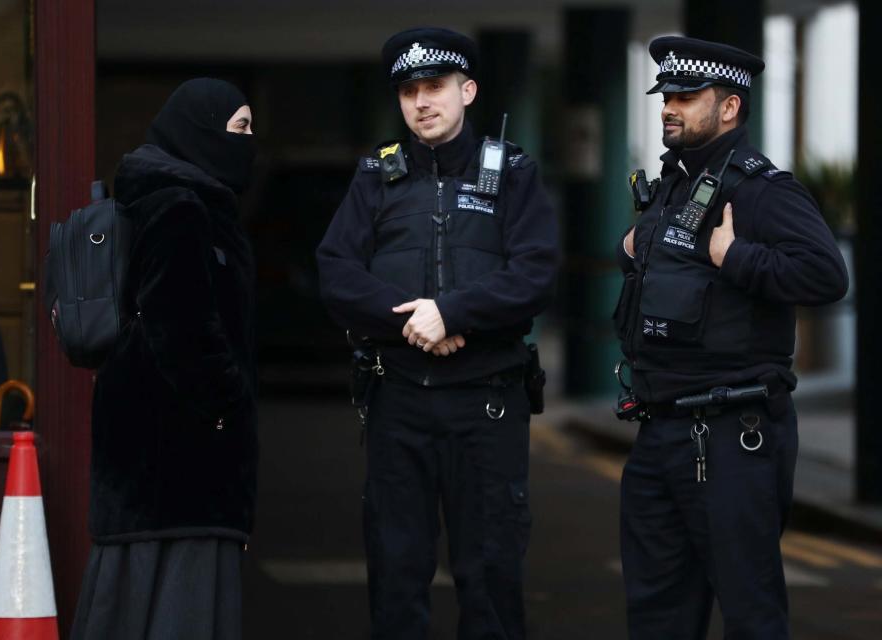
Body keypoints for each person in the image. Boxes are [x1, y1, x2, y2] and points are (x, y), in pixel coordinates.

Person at [317, 27, 559, 640]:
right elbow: (336, 271)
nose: (421, 102)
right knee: (397, 577)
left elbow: (535, 272)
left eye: (435, 88)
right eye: (409, 92)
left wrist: (454, 313)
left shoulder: (513, 173)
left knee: (491, 577)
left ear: (467, 90)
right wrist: (415, 323)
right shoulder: (378, 174)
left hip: (487, 403)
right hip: (398, 397)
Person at [613, 36, 849, 639]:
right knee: (657, 615)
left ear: (729, 108)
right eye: (666, 94)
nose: (669, 105)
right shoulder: (672, 185)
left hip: (730, 437)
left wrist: (737, 255)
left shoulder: (761, 188)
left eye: (687, 96)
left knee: (751, 616)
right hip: (658, 431)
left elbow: (826, 274)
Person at [70, 78, 258, 640]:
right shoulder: (182, 208)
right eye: (241, 127)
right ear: (201, 130)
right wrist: (229, 402)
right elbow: (181, 326)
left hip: (152, 464)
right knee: (181, 607)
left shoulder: (165, 201)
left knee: (136, 608)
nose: (251, 140)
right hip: (180, 464)